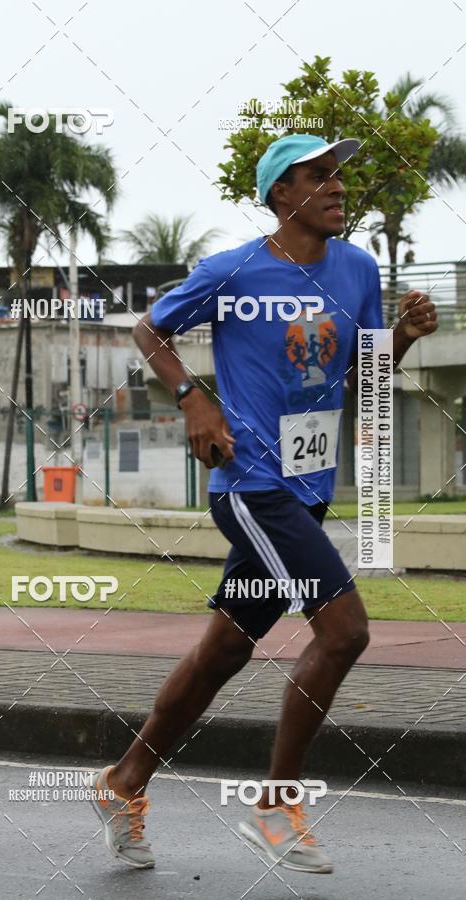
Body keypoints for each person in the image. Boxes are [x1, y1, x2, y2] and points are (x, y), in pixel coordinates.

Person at [90, 133, 438, 873]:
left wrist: (399, 339)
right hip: (253, 485)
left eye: (339, 177)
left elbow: (360, 386)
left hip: (307, 492)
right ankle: (276, 808)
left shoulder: (357, 270)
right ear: (283, 193)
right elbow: (149, 328)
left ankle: (124, 783)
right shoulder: (234, 270)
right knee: (345, 633)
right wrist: (193, 400)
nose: (339, 188)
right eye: (320, 176)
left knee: (224, 652)